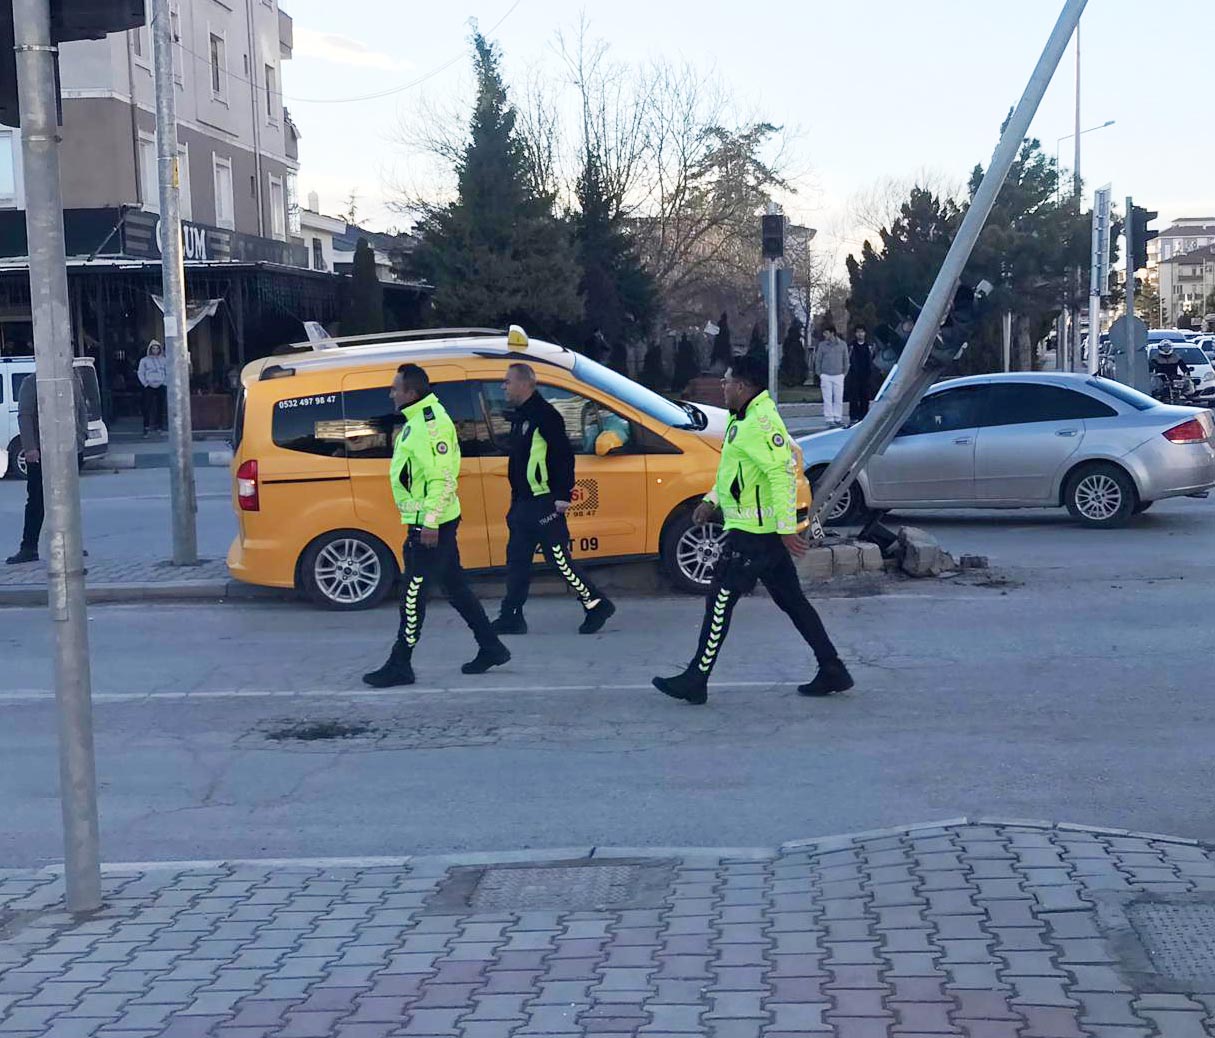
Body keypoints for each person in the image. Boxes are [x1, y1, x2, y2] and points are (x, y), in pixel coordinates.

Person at [652, 355, 853, 706]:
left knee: (719, 601)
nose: (723, 386)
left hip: (754, 534)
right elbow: (734, 471)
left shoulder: (760, 422)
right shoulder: (740, 420)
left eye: (727, 381)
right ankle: (832, 668)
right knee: (792, 601)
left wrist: (787, 528)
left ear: (743, 387)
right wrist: (711, 500)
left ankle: (697, 678)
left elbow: (781, 475)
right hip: (754, 530)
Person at [362, 363, 511, 688]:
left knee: (412, 594)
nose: (391, 393)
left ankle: (400, 663)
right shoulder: (419, 420)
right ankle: (491, 646)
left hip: (431, 526)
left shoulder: (430, 426)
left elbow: (442, 479)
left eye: (395, 388)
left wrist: (429, 523)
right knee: (455, 587)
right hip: (431, 521)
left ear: (411, 393)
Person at [490, 362, 616, 636]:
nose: (504, 386)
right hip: (523, 503)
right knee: (517, 560)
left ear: (525, 384)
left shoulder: (546, 416)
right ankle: (511, 615)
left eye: (507, 381)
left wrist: (562, 496)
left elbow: (563, 457)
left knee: (558, 558)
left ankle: (596, 604)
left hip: (545, 502)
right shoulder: (521, 416)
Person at [6, 369, 88, 565]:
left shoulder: (73, 378)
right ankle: (28, 547)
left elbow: (81, 408)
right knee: (37, 500)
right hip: (42, 451)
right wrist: (30, 448)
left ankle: (71, 544)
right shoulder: (31, 382)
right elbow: (25, 416)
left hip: (69, 448)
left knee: (69, 499)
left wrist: (82, 435)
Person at [815, 326, 849, 426]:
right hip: (825, 375)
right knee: (827, 398)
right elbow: (818, 359)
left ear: (832, 333)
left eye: (826, 333)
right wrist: (819, 373)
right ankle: (829, 418)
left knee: (838, 397)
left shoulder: (842, 345)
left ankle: (838, 418)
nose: (824, 335)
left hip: (839, 375)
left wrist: (844, 373)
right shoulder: (822, 345)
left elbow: (846, 360)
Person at [844, 326, 875, 424]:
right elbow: (847, 359)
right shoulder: (851, 346)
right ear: (855, 334)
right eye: (858, 332)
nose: (860, 334)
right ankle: (853, 416)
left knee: (865, 396)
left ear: (865, 333)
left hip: (866, 375)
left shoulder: (869, 346)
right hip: (854, 375)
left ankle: (864, 416)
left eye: (862, 332)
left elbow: (872, 359)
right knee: (853, 397)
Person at [137, 340, 168, 436]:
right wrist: (145, 383)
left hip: (161, 385)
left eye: (157, 348)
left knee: (161, 406)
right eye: (153, 348)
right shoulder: (144, 360)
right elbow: (140, 372)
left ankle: (160, 426)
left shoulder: (164, 360)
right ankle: (146, 427)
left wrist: (164, 382)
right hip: (148, 385)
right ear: (150, 349)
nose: (155, 350)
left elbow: (168, 372)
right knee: (146, 406)